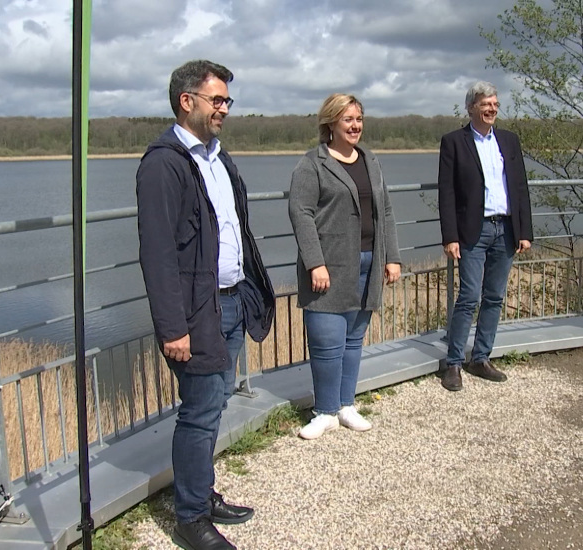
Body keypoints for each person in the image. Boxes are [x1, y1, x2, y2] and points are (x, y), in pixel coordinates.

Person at [136, 59, 275, 550]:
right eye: (217, 100)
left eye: (227, 101)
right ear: (186, 101)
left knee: (214, 404)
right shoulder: (164, 164)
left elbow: (234, 227)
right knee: (198, 411)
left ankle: (202, 492)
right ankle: (191, 517)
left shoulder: (218, 157)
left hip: (231, 300)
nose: (224, 109)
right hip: (196, 312)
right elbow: (156, 253)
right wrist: (173, 327)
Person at [289, 93, 401, 439]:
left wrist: (391, 256)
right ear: (331, 123)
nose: (355, 126)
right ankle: (324, 411)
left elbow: (386, 210)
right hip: (328, 266)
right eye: (348, 119)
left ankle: (345, 405)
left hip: (368, 261)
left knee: (353, 341)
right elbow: (300, 213)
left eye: (359, 119)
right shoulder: (313, 163)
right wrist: (315, 263)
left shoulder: (371, 160)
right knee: (327, 341)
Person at [438, 81, 533, 392]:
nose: (492, 109)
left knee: (494, 297)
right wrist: (450, 236)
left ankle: (481, 358)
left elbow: (520, 188)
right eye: (485, 104)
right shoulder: (454, 142)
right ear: (471, 108)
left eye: (495, 104)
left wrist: (524, 231)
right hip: (472, 231)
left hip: (505, 229)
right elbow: (447, 193)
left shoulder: (509, 140)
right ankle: (453, 363)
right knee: (468, 297)